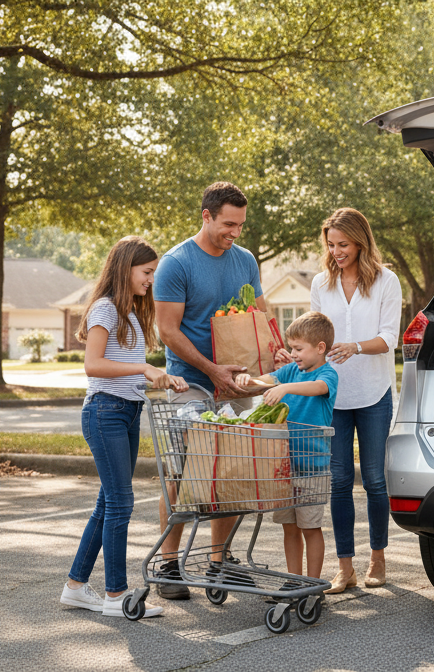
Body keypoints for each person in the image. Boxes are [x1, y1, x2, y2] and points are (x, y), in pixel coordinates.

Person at [150, 181, 268, 600]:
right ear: (206, 215)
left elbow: (257, 314)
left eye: (240, 225)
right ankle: (167, 564)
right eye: (228, 224)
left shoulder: (245, 260)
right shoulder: (176, 263)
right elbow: (167, 330)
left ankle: (219, 562)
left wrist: (276, 350)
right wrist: (211, 370)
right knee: (185, 470)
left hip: (234, 383)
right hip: (191, 382)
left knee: (234, 471)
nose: (235, 233)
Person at [61, 235, 187, 619]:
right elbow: (93, 366)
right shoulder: (105, 309)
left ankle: (76, 587)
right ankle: (115, 596)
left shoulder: (130, 310)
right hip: (105, 412)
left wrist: (156, 377)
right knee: (120, 503)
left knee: (107, 502)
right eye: (147, 272)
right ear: (126, 267)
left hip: (127, 410)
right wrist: (143, 368)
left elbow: (122, 368)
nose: (151, 280)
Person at [308, 208, 402, 593]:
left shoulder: (386, 281)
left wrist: (356, 347)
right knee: (340, 480)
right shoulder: (320, 283)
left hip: (374, 392)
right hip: (333, 395)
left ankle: (377, 557)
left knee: (376, 481)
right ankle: (344, 567)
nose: (336, 252)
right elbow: (315, 334)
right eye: (331, 245)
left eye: (343, 244)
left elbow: (389, 339)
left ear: (360, 241)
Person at [236, 311, 339, 580]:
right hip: (283, 466)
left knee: (310, 529)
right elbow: (268, 380)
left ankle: (312, 584)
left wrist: (286, 388)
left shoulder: (327, 374)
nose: (293, 354)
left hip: (312, 468)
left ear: (320, 348)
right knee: (289, 528)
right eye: (291, 347)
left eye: (298, 349)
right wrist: (250, 381)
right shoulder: (291, 371)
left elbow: (317, 388)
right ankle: (294, 581)